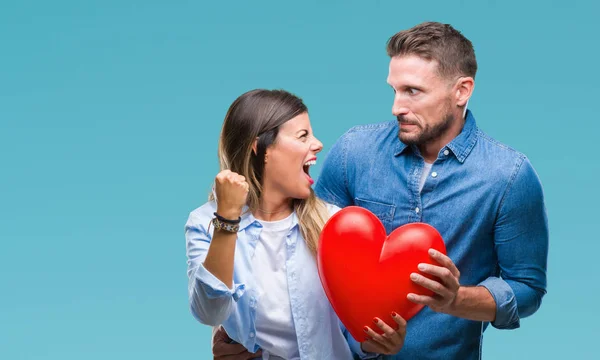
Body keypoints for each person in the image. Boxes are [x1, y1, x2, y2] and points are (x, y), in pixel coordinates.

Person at [213, 22, 549, 360]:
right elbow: (292, 245)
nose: (397, 107)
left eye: (413, 91)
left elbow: (527, 288)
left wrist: (457, 300)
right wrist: (234, 326)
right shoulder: (353, 153)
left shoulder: (509, 176)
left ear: (462, 91)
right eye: (395, 90)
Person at [185, 89, 406, 360]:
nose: (318, 144)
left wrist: (375, 343)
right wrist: (227, 219)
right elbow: (210, 312)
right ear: (260, 148)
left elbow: (351, 329)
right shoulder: (206, 222)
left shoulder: (334, 225)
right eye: (303, 136)